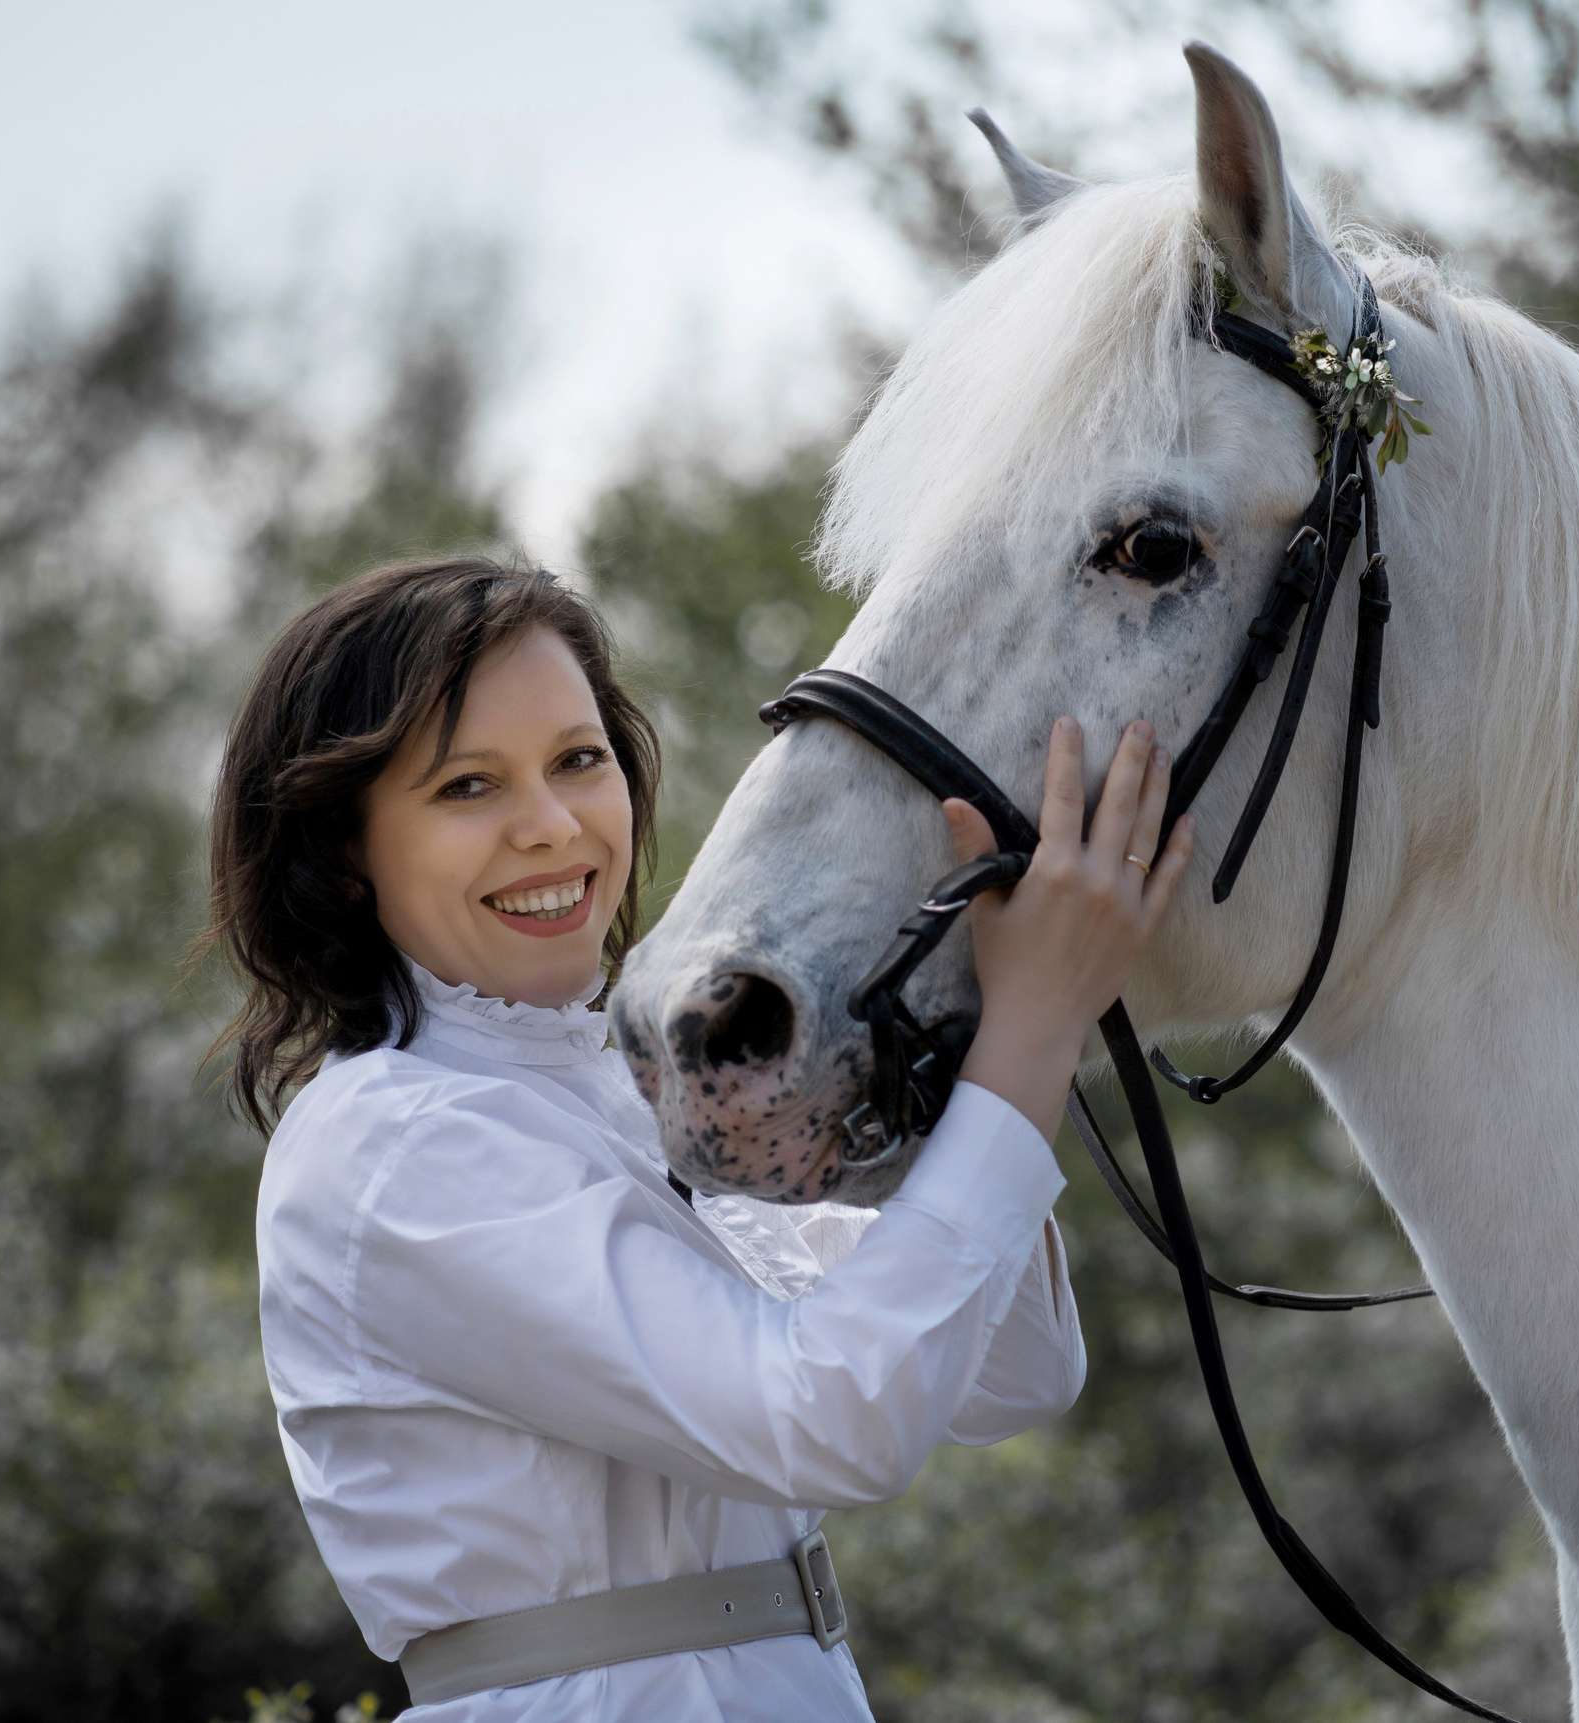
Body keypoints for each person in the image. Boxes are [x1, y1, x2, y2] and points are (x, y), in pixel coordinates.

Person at [207, 557, 1195, 1721]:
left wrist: (959, 1011)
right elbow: (828, 1420)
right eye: (469, 786)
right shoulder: (393, 1144)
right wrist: (1032, 1036)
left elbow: (1011, 1373)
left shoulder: (632, 1082)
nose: (551, 826)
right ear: (343, 849)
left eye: (580, 761)